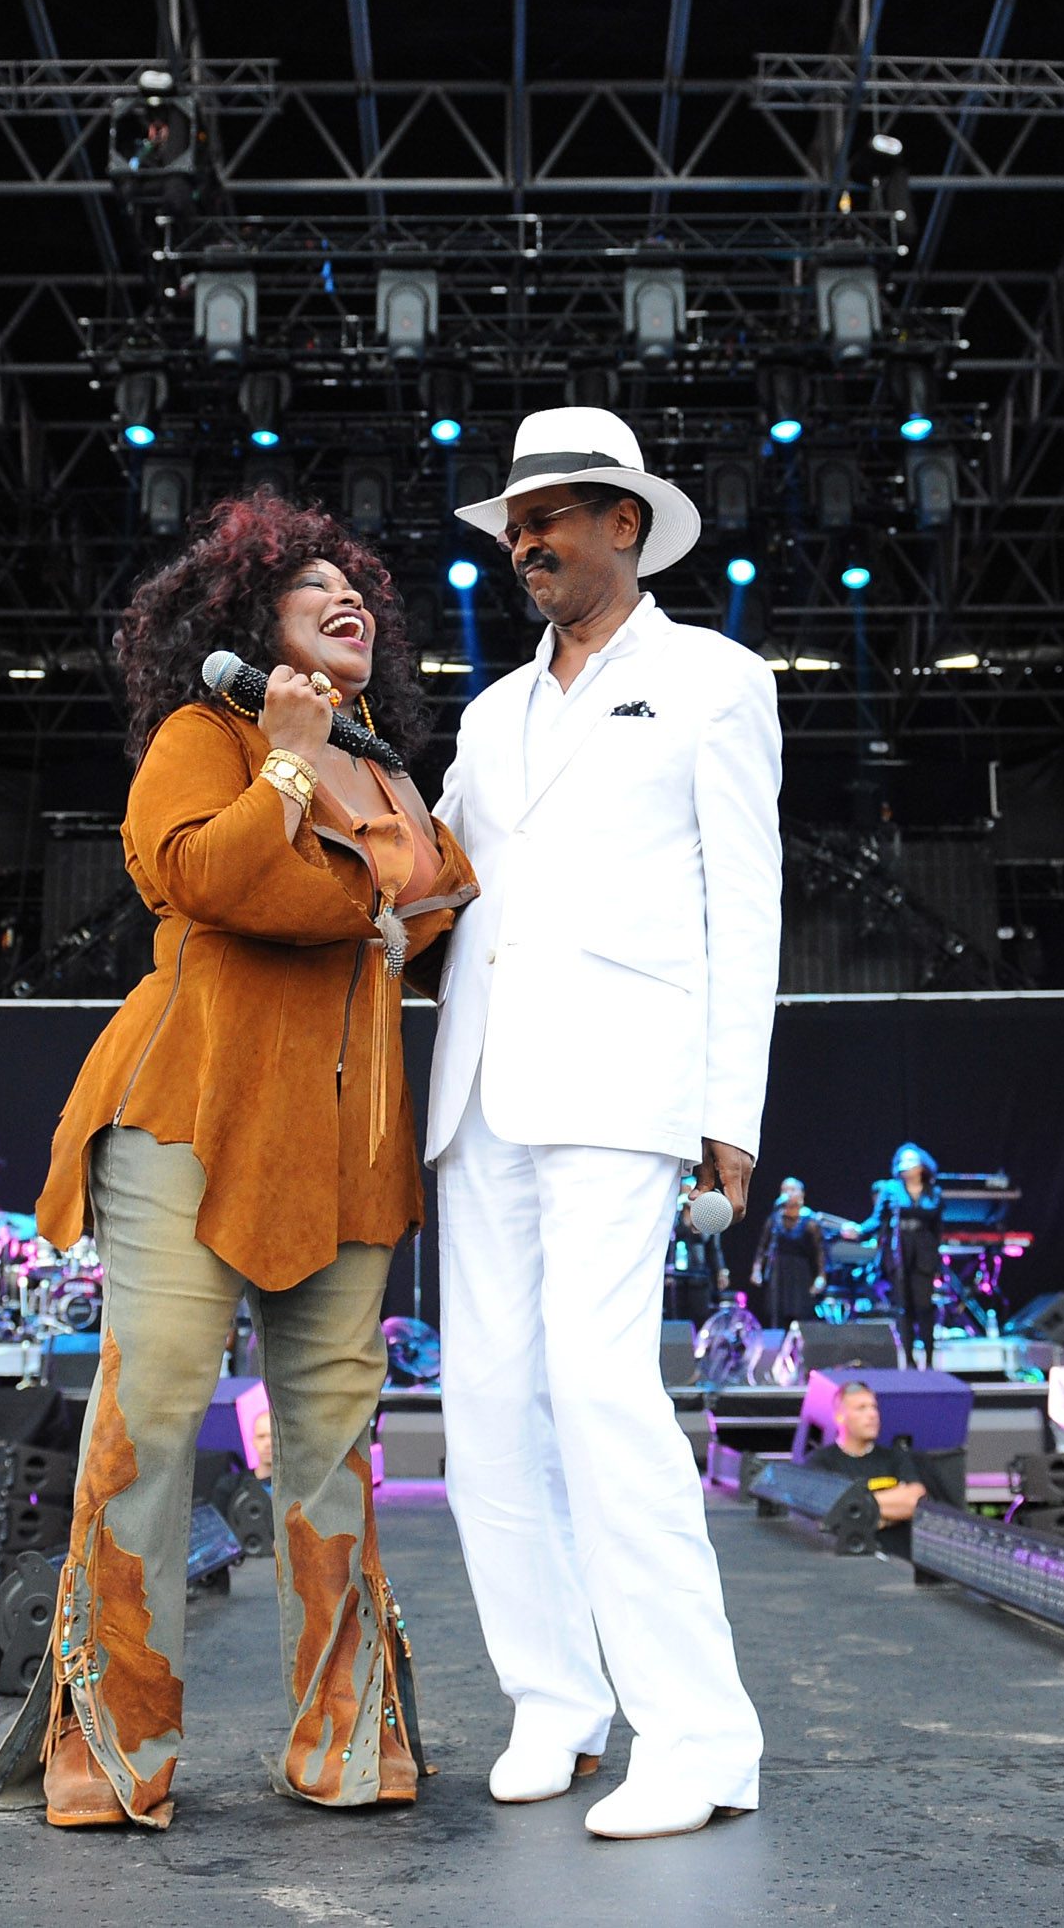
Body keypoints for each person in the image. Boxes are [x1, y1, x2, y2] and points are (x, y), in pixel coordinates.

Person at [17, 487, 469, 1830]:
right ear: (240, 619)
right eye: (308, 588)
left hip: (347, 1150)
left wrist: (358, 900)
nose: (347, 600)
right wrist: (284, 770)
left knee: (333, 1449)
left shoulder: (388, 772)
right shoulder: (201, 737)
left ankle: (347, 1748)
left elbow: (431, 903)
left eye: (359, 592)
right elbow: (212, 884)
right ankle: (109, 1752)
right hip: (188, 1123)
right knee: (153, 1420)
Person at [428, 405, 778, 1841]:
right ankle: (557, 1703)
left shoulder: (715, 678)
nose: (527, 542)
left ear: (624, 523)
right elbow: (435, 878)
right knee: (484, 1417)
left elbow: (745, 904)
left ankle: (698, 1738)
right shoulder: (488, 712)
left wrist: (729, 1107)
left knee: (602, 1392)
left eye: (552, 517)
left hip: (626, 1082)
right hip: (480, 1086)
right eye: (514, 523)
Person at [849, 1144, 947, 1371]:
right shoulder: (892, 1188)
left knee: (924, 1306)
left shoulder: (934, 1192)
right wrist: (859, 1230)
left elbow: (937, 1229)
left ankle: (930, 1359)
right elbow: (877, 1219)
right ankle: (910, 1361)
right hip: (899, 1252)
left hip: (924, 1253)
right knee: (904, 1308)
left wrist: (936, 1258)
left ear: (922, 1165)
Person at [800, 1382, 926, 1539]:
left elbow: (915, 1502)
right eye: (861, 1408)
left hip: (895, 1556)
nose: (872, 1415)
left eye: (874, 1407)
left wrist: (853, 1507)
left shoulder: (895, 1457)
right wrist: (887, 1513)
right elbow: (821, 1508)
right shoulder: (821, 1460)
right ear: (839, 1417)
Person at [750, 1179, 837, 1328]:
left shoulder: (810, 1221)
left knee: (800, 1317)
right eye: (784, 1190)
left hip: (801, 1274)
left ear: (801, 1194)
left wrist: (821, 1277)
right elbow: (763, 1247)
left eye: (792, 1190)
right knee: (779, 1317)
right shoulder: (775, 1219)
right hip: (779, 1274)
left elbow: (820, 1252)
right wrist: (757, 1269)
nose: (788, 1194)